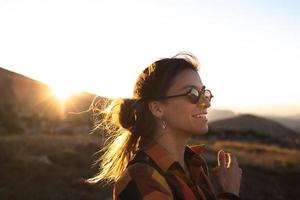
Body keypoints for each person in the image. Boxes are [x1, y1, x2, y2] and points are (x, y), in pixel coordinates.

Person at [88, 52, 242, 200]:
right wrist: (229, 193)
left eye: (205, 93)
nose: (206, 102)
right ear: (157, 108)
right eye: (192, 93)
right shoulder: (142, 178)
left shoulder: (195, 166)